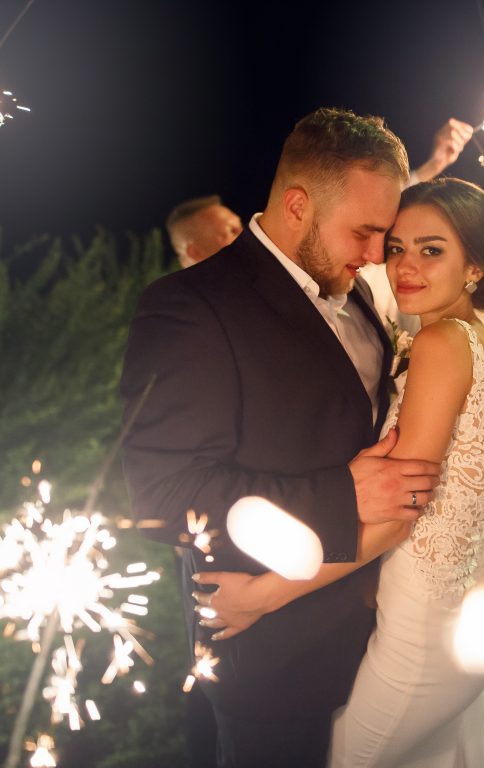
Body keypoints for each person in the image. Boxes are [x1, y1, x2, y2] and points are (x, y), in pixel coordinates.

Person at [194, 179, 484, 766]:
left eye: (432, 250)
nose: (406, 267)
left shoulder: (444, 345)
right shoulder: (468, 345)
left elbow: (400, 512)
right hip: (440, 617)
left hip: (423, 637)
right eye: (397, 248)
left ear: (475, 265)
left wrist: (260, 597)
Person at [120, 107, 444, 768]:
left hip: (372, 628)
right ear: (298, 205)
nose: (378, 254)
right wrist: (339, 494)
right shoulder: (189, 307)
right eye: (365, 231)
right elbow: (163, 493)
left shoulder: (352, 291)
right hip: (270, 651)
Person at [165, 119, 473, 269]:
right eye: (229, 231)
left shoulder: (331, 271)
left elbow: (364, 206)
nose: (377, 255)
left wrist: (434, 166)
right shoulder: (185, 312)